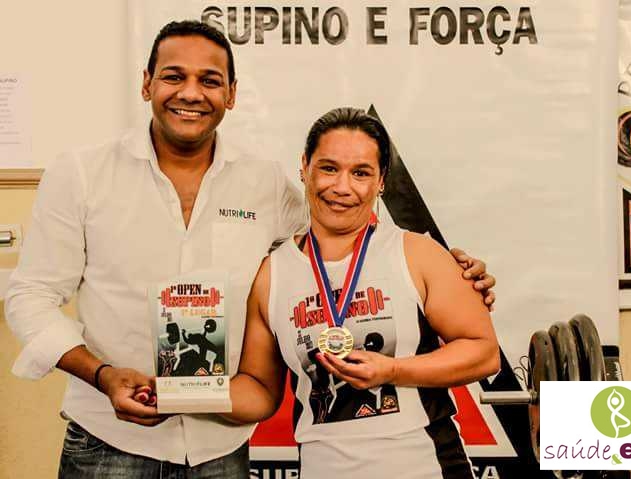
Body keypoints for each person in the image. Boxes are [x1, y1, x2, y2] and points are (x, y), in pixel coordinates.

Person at [4, 20, 496, 478]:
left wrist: (452, 274)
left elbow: (341, 240)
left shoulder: (264, 184)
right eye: (174, 76)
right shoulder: (82, 175)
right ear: (147, 83)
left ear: (232, 94)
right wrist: (102, 375)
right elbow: (30, 297)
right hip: (108, 441)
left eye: (210, 80)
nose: (191, 93)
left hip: (220, 449)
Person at [224, 108, 500, 478]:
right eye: (328, 168)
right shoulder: (272, 274)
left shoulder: (416, 253)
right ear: (304, 167)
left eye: (361, 173)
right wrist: (176, 396)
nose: (342, 187)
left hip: (424, 467)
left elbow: (484, 354)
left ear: (381, 181)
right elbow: (259, 390)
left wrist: (394, 370)